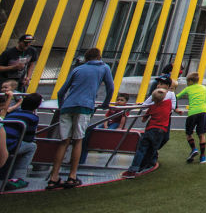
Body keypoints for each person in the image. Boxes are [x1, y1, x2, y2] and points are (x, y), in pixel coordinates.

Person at [47, 46, 114, 189]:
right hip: (84, 106)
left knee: (64, 141)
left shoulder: (77, 69)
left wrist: (61, 106)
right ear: (99, 57)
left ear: (86, 58)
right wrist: (105, 104)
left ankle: (54, 176)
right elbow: (111, 87)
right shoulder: (103, 68)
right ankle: (72, 176)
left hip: (68, 106)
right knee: (78, 140)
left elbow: (61, 92)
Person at [122, 83, 174, 177]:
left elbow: (143, 119)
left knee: (142, 149)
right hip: (161, 131)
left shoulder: (152, 107)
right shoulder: (168, 103)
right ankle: (145, 166)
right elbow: (171, 97)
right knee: (152, 149)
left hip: (151, 129)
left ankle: (133, 169)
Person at [3, 92, 41, 190]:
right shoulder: (32, 117)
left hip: (3, 142)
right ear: (37, 106)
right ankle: (18, 178)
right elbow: (29, 138)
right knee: (32, 146)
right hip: (9, 145)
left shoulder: (13, 113)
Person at [177, 70, 206, 164]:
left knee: (188, 133)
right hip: (203, 112)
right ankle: (203, 157)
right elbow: (205, 100)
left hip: (192, 113)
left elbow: (177, 97)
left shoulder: (188, 89)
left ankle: (194, 149)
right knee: (201, 134)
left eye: (187, 81)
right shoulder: (204, 87)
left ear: (190, 81)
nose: (187, 83)